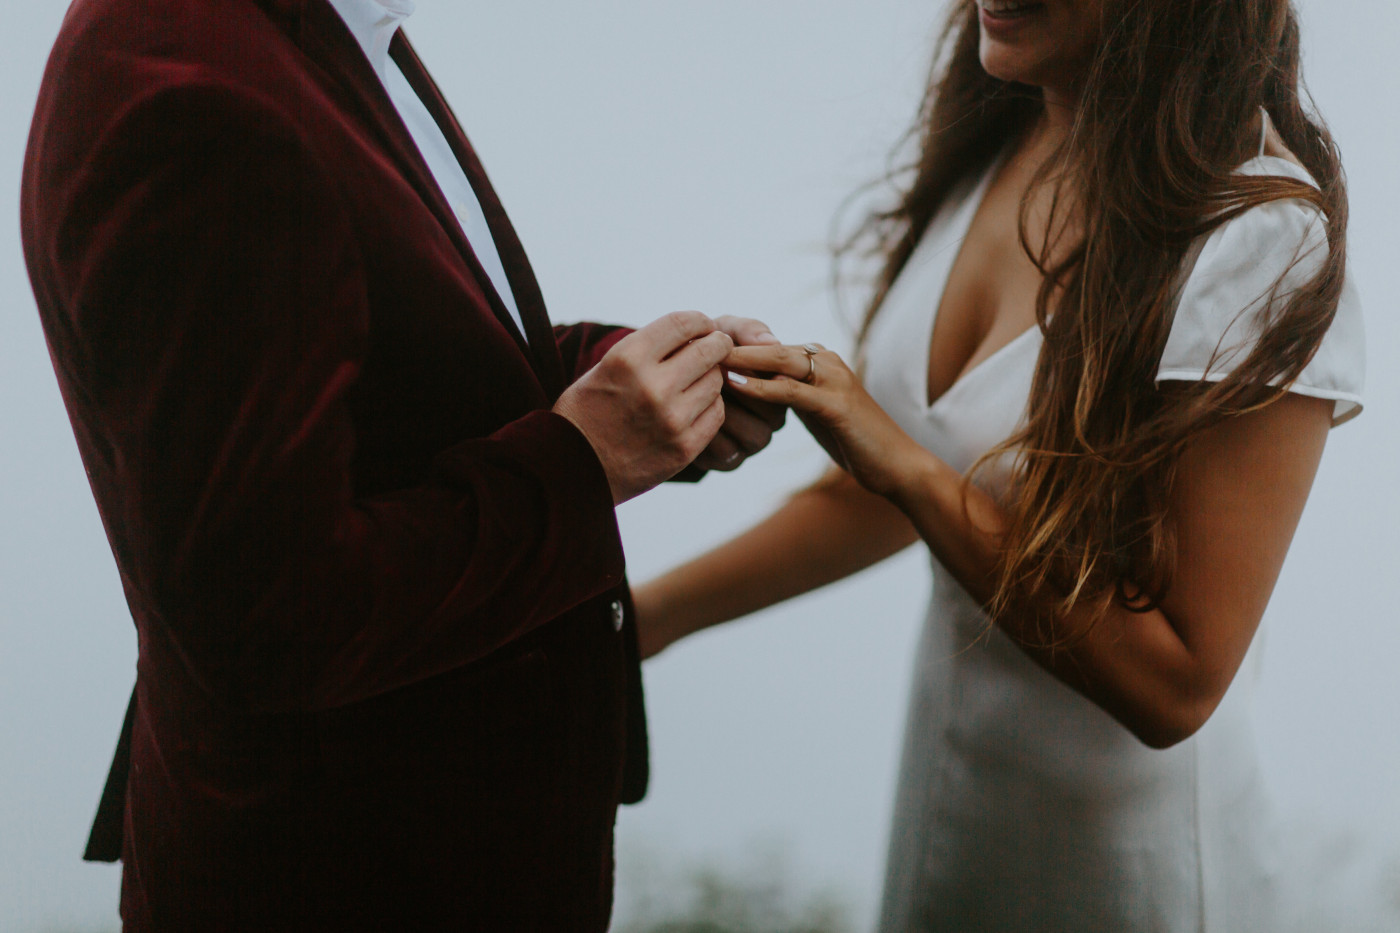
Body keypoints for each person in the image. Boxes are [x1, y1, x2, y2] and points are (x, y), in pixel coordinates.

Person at [20, 0, 785, 929]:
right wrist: (582, 460)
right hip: (345, 875)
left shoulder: (312, 26)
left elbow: (382, 350)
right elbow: (265, 609)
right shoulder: (195, 87)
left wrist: (633, 383)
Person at [636, 0, 1364, 930]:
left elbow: (1177, 681)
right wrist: (635, 621)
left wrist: (902, 466)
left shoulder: (1258, 239)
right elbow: (880, 491)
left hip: (1125, 877)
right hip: (954, 830)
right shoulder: (1005, 131)